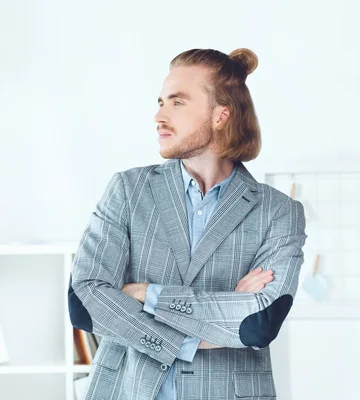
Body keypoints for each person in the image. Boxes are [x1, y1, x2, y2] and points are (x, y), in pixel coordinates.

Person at [68, 48, 307, 400]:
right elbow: (84, 302)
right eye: (161, 101)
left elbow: (259, 323)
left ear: (220, 115)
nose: (158, 116)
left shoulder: (279, 211)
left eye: (177, 103)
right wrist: (192, 336)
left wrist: (144, 294)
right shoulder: (128, 191)